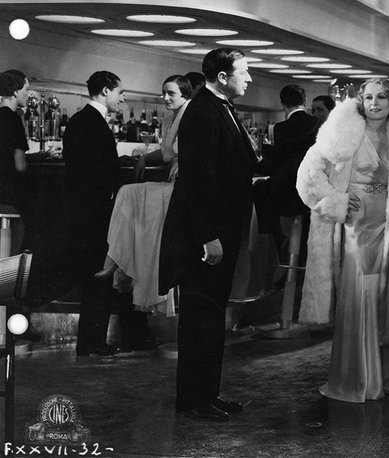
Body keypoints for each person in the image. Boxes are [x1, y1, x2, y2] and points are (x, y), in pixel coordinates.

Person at [296, 79, 389, 402]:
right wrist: (334, 198)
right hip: (356, 224)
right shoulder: (341, 128)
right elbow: (308, 173)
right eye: (368, 97)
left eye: (381, 97)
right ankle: (359, 379)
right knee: (361, 292)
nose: (374, 103)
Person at [160, 48, 259, 422]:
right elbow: (198, 179)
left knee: (211, 316)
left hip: (221, 230)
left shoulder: (220, 107)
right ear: (222, 77)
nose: (248, 79)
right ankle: (193, 399)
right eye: (243, 72)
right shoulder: (203, 111)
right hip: (206, 236)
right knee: (200, 318)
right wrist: (208, 236)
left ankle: (208, 394)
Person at [63, 71, 152, 356]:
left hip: (84, 209)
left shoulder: (81, 121)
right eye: (119, 92)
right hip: (96, 211)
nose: (123, 97)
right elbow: (99, 171)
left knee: (96, 275)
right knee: (98, 275)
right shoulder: (93, 123)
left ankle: (91, 341)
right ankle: (92, 342)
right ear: (104, 91)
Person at [96, 75, 191, 317]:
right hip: (173, 184)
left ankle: (115, 260)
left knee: (128, 193)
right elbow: (168, 153)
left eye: (172, 93)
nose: (166, 98)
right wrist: (144, 158)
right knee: (131, 200)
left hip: (183, 189)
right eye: (164, 93)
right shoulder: (172, 117)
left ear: (185, 95)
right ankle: (116, 259)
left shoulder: (190, 116)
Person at [254, 84, 317, 259]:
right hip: (311, 192)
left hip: (286, 192)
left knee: (259, 190)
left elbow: (276, 162)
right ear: (304, 101)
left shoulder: (279, 129)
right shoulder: (319, 125)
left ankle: (279, 237)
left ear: (282, 104)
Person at [0, 70, 31, 250]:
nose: (28, 94)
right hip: (10, 196)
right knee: (11, 250)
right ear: (15, 92)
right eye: (26, 89)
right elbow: (20, 165)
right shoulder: (13, 119)